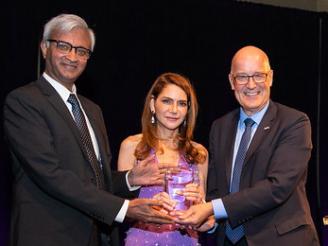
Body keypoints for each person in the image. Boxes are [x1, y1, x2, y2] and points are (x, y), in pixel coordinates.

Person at [3, 14, 173, 246]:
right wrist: (124, 208)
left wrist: (130, 179)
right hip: (47, 236)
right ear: (44, 48)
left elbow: (94, 179)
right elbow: (50, 175)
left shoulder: (92, 110)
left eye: (82, 51)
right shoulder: (24, 101)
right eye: (64, 46)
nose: (73, 56)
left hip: (94, 236)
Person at [174, 46, 320, 246]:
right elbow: (217, 190)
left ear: (270, 78)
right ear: (231, 81)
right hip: (229, 240)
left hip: (280, 240)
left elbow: (277, 187)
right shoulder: (220, 127)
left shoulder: (294, 122)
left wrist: (212, 208)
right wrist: (211, 219)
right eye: (242, 77)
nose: (251, 84)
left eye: (258, 75)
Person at [117, 72, 210, 245]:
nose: (174, 110)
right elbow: (122, 210)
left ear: (188, 109)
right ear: (153, 104)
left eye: (181, 104)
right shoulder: (132, 147)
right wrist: (150, 205)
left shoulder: (198, 153)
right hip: (142, 240)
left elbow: (203, 217)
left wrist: (199, 205)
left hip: (185, 241)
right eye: (167, 101)